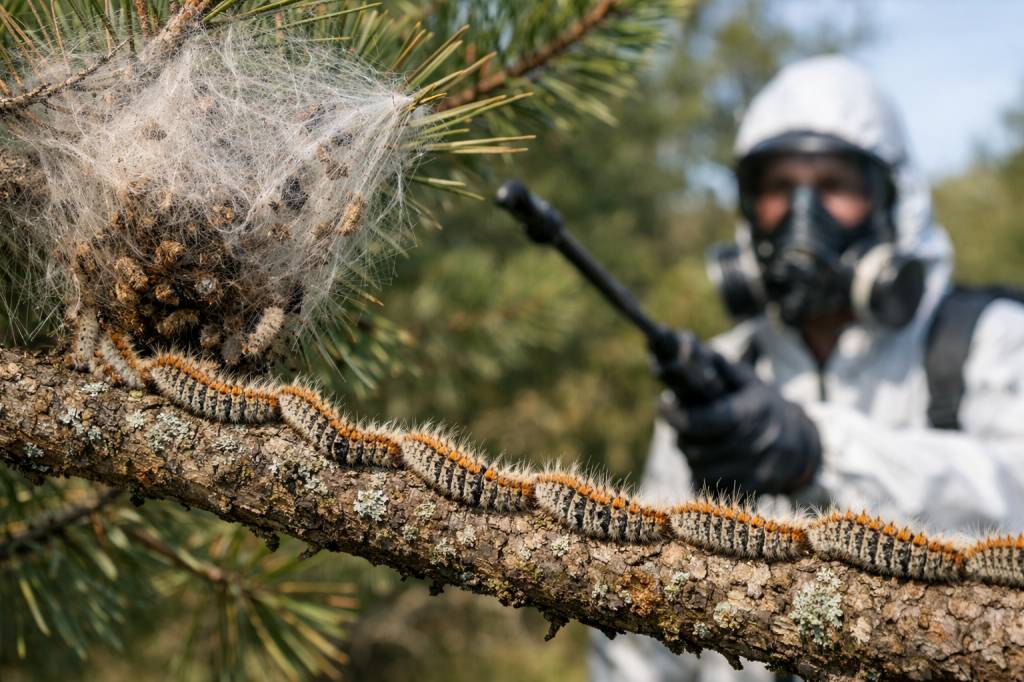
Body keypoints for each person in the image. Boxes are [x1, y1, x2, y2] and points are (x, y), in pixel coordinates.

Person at [590, 55, 1024, 682]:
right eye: (777, 187)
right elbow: (639, 626)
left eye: (834, 185)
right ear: (748, 208)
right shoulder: (718, 378)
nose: (802, 216)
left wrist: (817, 453)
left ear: (893, 198)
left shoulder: (990, 337)